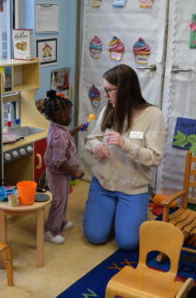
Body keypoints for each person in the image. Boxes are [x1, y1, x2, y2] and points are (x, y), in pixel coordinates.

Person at [83, 64, 165, 251]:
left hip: (133, 188)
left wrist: (124, 144)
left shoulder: (153, 115)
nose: (105, 95)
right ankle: (114, 216)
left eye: (108, 90)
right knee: (95, 237)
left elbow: (155, 158)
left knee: (128, 243)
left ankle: (124, 216)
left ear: (124, 89)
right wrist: (95, 145)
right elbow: (91, 138)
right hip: (103, 183)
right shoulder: (109, 110)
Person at [42, 90, 84, 244]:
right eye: (69, 113)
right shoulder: (58, 135)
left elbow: (66, 135)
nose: (70, 116)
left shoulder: (57, 128)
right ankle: (51, 231)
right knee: (58, 202)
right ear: (64, 116)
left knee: (64, 199)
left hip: (62, 174)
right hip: (58, 174)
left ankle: (62, 222)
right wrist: (75, 171)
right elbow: (59, 160)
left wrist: (77, 129)